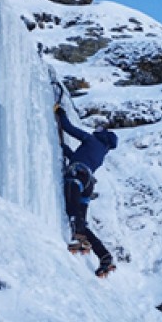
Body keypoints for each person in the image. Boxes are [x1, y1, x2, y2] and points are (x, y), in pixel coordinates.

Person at [53, 104, 118, 277]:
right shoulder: (102, 153)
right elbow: (79, 156)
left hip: (77, 175)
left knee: (73, 212)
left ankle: (78, 239)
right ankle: (105, 257)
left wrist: (60, 112)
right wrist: (64, 149)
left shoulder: (92, 140)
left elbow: (68, 128)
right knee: (81, 219)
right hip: (87, 184)